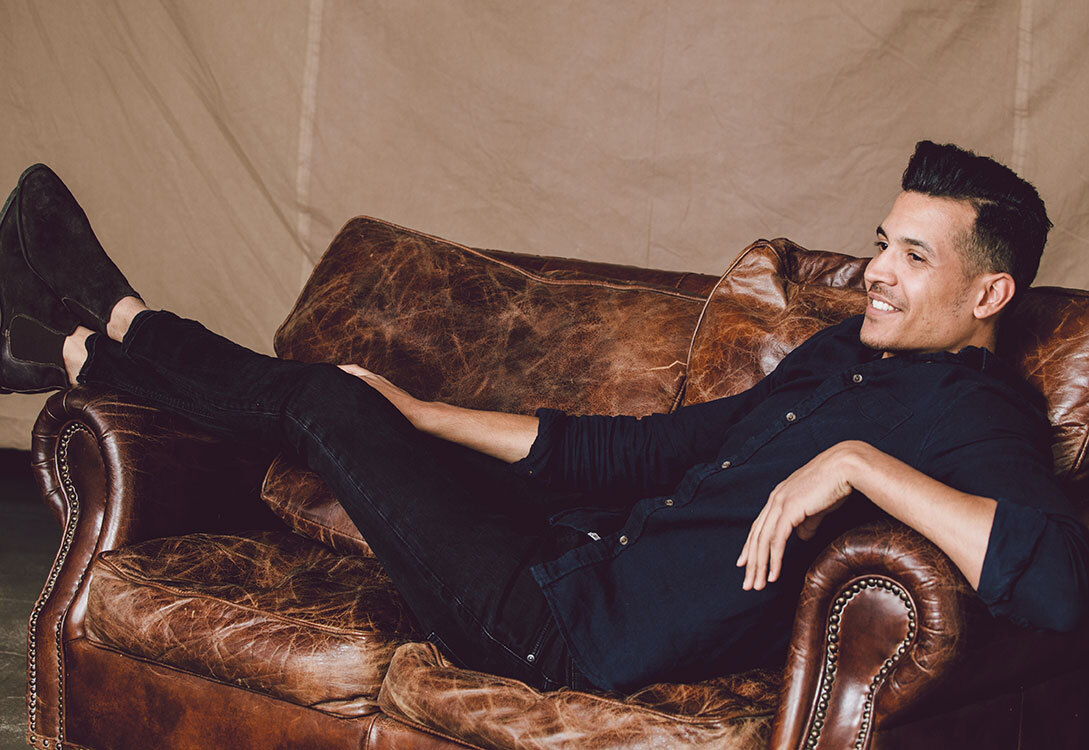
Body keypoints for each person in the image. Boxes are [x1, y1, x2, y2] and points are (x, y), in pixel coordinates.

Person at [1, 141, 1086, 694]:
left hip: (564, 633)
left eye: (913, 256)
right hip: (558, 551)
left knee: (323, 404)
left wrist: (856, 464)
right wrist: (426, 415)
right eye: (883, 242)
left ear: (989, 293)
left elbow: (1058, 583)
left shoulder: (977, 413)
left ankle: (98, 323)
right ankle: (78, 341)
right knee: (356, 398)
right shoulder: (841, 353)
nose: (878, 272)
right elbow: (646, 449)